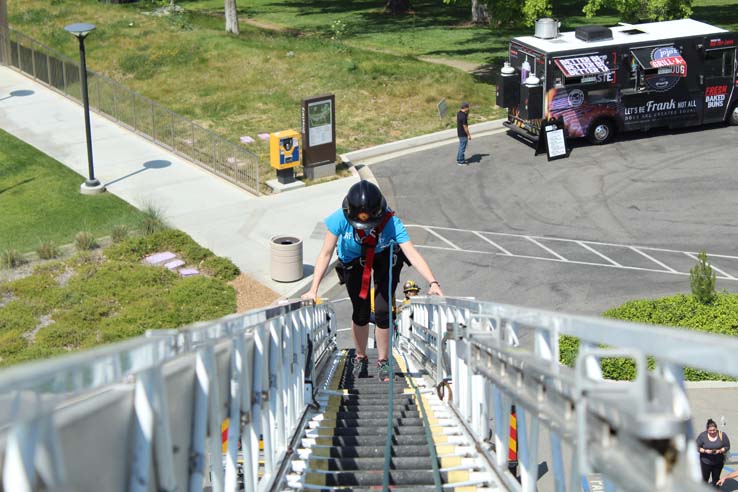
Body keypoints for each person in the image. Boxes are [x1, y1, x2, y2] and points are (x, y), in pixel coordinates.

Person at [302, 180, 443, 382]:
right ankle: (360, 357)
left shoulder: (392, 223)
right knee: (359, 311)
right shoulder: (340, 218)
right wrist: (313, 289)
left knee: (384, 310)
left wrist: (433, 282)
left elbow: (411, 253)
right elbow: (325, 254)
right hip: (353, 260)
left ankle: (384, 361)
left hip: (383, 256)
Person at [697, 418, 730, 487]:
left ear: (716, 429)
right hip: (705, 462)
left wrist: (720, 450)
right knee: (704, 479)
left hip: (718, 462)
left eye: (714, 430)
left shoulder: (722, 435)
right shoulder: (702, 436)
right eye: (710, 430)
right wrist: (705, 451)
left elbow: (727, 446)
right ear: (707, 430)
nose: (712, 432)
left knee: (716, 479)